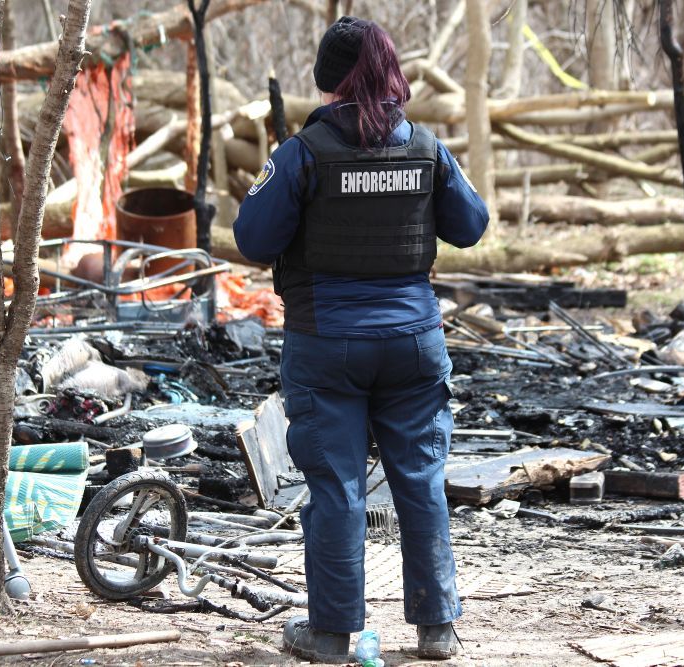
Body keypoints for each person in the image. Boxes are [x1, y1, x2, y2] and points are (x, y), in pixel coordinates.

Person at [233, 15, 488, 664]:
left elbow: (253, 240)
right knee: (421, 479)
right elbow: (472, 224)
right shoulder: (426, 148)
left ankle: (330, 635)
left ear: (327, 81)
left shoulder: (302, 155)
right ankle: (437, 628)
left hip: (328, 345)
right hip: (413, 344)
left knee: (339, 488)